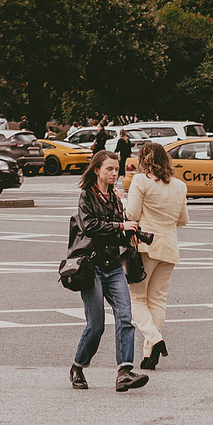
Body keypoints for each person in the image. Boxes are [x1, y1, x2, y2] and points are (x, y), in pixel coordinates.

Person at [67, 152, 148, 392]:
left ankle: (124, 372)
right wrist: (120, 226)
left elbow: (115, 231)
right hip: (92, 267)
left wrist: (129, 234)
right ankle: (78, 366)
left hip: (113, 266)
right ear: (97, 170)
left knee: (125, 316)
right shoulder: (87, 196)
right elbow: (89, 226)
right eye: (109, 169)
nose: (114, 173)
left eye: (116, 169)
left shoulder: (114, 197)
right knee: (96, 325)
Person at [122, 140, 187, 372]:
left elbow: (132, 213)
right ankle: (149, 353)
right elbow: (183, 220)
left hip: (146, 245)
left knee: (136, 299)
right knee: (158, 300)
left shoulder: (140, 181)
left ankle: (155, 339)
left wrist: (123, 200)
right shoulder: (179, 186)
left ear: (143, 158)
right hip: (169, 247)